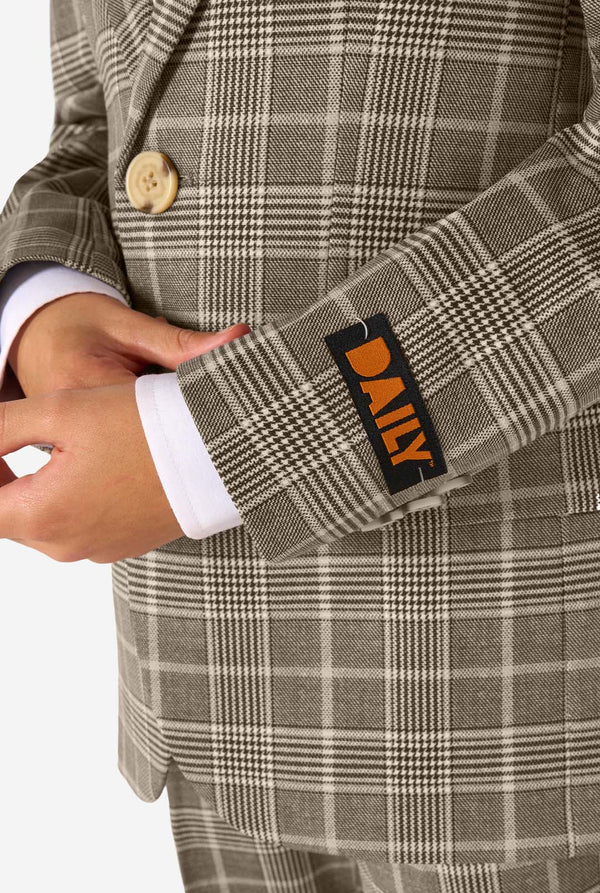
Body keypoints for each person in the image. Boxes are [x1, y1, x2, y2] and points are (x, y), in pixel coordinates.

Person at [1, 0, 600, 890]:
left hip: (496, 707)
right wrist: (46, 304)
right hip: (202, 683)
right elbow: (94, 117)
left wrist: (223, 446)